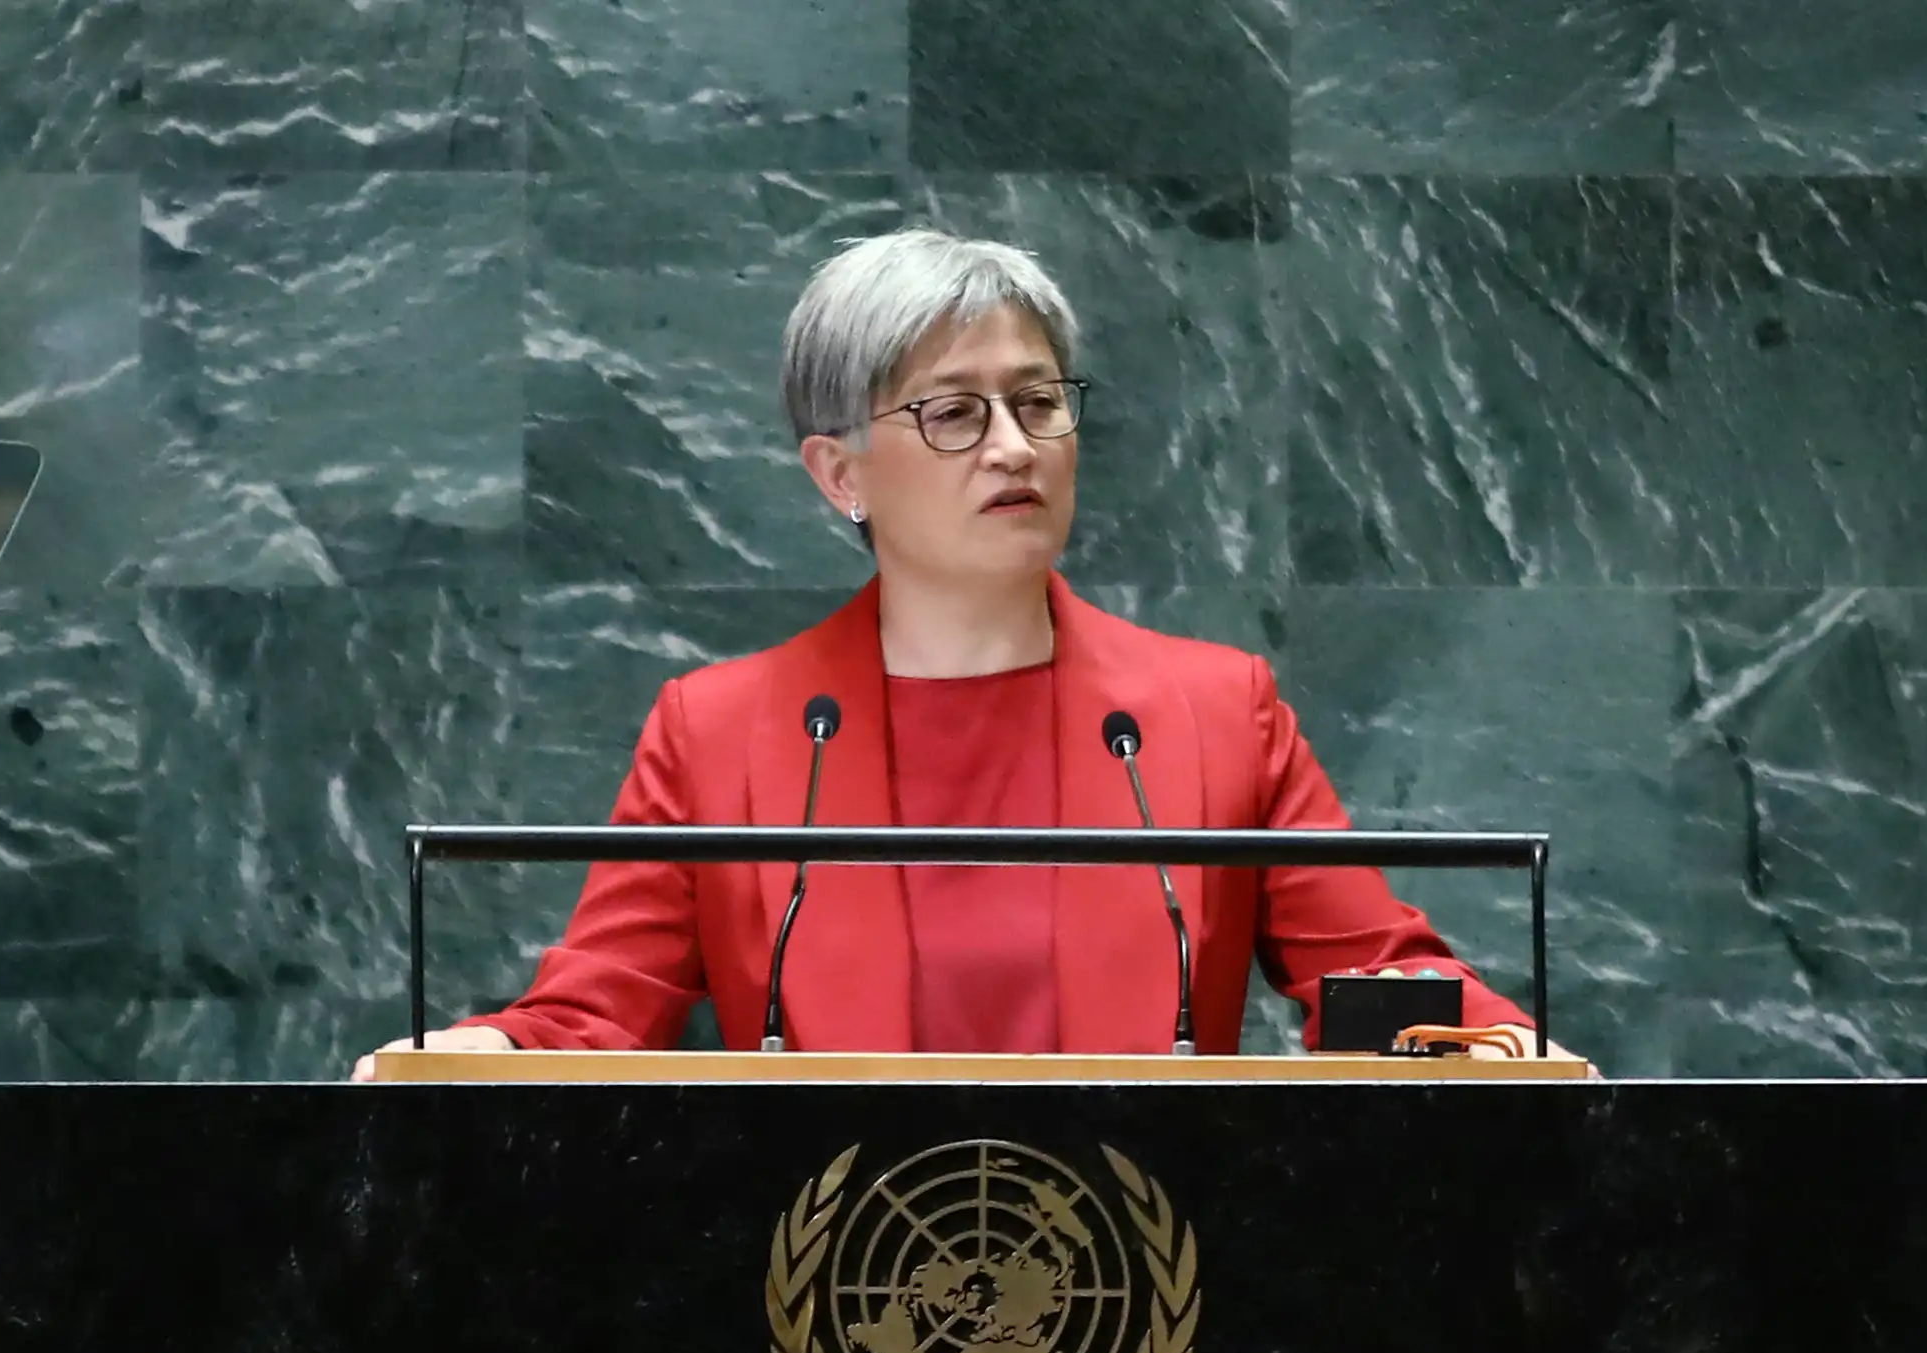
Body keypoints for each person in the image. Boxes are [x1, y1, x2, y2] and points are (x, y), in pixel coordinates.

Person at [355, 229, 1578, 1073]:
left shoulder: (1214, 711)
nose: (1012, 445)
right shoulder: (718, 731)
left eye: (1038, 401)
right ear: (839, 471)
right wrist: (478, 1053)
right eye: (952, 410)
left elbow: (1376, 974)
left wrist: (1507, 1047)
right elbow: (591, 1015)